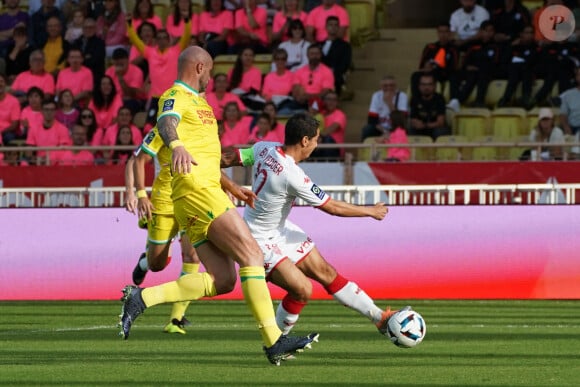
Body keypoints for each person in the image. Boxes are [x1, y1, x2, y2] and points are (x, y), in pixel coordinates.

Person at [118, 46, 318, 366]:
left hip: (205, 190)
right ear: (199, 67)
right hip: (197, 191)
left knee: (223, 280)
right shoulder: (175, 95)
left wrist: (231, 186)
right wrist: (176, 145)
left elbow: (208, 157)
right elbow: (166, 122)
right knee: (252, 254)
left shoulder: (201, 104)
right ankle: (274, 341)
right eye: (209, 71)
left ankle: (141, 298)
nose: (210, 78)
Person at [220, 113, 410, 338]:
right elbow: (332, 208)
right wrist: (371, 211)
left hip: (279, 230)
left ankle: (379, 318)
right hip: (258, 239)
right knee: (301, 291)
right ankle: (276, 343)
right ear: (304, 141)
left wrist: (220, 180)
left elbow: (225, 159)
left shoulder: (264, 148)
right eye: (316, 139)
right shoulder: (292, 175)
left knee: (326, 272)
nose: (317, 144)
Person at [127, 127, 258, 333]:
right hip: (164, 203)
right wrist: (140, 194)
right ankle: (145, 262)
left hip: (193, 199)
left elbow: (208, 165)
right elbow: (137, 160)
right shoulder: (163, 129)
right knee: (157, 264)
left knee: (192, 257)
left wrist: (229, 186)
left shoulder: (198, 131)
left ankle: (175, 319)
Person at [127, 16, 192, 123]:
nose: (162, 40)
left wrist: (187, 21)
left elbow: (186, 36)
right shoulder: (149, 52)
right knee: (149, 125)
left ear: (168, 40)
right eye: (159, 38)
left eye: (164, 38)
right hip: (156, 97)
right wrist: (129, 24)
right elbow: (135, 40)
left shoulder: (176, 50)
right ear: (156, 40)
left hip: (172, 97)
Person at [410, 22, 459, 98]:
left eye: (446, 32)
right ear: (437, 33)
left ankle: (454, 100)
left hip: (445, 74)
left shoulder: (453, 48)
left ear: (449, 33)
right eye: (441, 32)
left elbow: (454, 66)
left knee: (455, 76)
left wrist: (436, 67)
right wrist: (426, 67)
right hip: (430, 72)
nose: (443, 35)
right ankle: (416, 99)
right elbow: (422, 65)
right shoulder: (430, 47)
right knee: (415, 75)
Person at [360, 75, 408, 141]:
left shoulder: (402, 96)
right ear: (381, 87)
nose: (389, 88)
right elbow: (372, 120)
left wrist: (389, 103)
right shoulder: (377, 95)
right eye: (385, 86)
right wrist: (385, 131)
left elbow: (401, 120)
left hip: (397, 127)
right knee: (367, 129)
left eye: (391, 85)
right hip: (380, 128)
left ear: (395, 86)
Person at [25, 98, 71, 165]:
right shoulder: (33, 128)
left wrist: (49, 158)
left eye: (52, 110)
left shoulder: (63, 129)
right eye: (46, 110)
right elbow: (29, 149)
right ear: (41, 111)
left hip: (57, 164)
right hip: (39, 162)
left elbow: (63, 150)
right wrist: (32, 158)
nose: (49, 112)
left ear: (56, 111)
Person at [105, 47, 145, 114]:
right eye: (116, 64)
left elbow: (132, 95)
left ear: (127, 60)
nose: (118, 66)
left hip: (131, 101)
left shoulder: (137, 71)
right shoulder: (109, 71)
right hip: (113, 100)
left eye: (121, 63)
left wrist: (120, 77)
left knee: (131, 103)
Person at [409, 73, 448, 140]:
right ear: (419, 86)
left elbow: (440, 122)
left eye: (429, 84)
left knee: (440, 131)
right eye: (423, 84)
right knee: (410, 130)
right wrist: (416, 123)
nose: (426, 87)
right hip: (420, 129)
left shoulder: (439, 99)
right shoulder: (415, 99)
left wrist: (425, 125)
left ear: (434, 86)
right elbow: (412, 119)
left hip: (434, 128)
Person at [320, 16, 351, 96]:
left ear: (338, 28)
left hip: (335, 77)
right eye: (330, 25)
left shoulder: (345, 46)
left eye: (336, 25)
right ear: (326, 27)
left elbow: (345, 64)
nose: (333, 27)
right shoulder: (318, 45)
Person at [73, 17, 106, 84]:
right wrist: (85, 57)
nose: (88, 30)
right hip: (76, 74)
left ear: (95, 29)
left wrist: (79, 60)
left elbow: (95, 61)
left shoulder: (100, 43)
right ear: (82, 29)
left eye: (91, 27)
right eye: (86, 27)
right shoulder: (76, 42)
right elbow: (72, 58)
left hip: (93, 76)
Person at [0, 73, 21, 146]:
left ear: (5, 84)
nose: (0, 84)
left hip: (7, 132)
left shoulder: (14, 101)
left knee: (9, 137)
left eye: (1, 81)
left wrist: (1, 132)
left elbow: (14, 124)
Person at [559, 67, 580, 135]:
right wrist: (566, 127)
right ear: (577, 77)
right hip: (573, 128)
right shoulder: (568, 94)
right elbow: (563, 115)